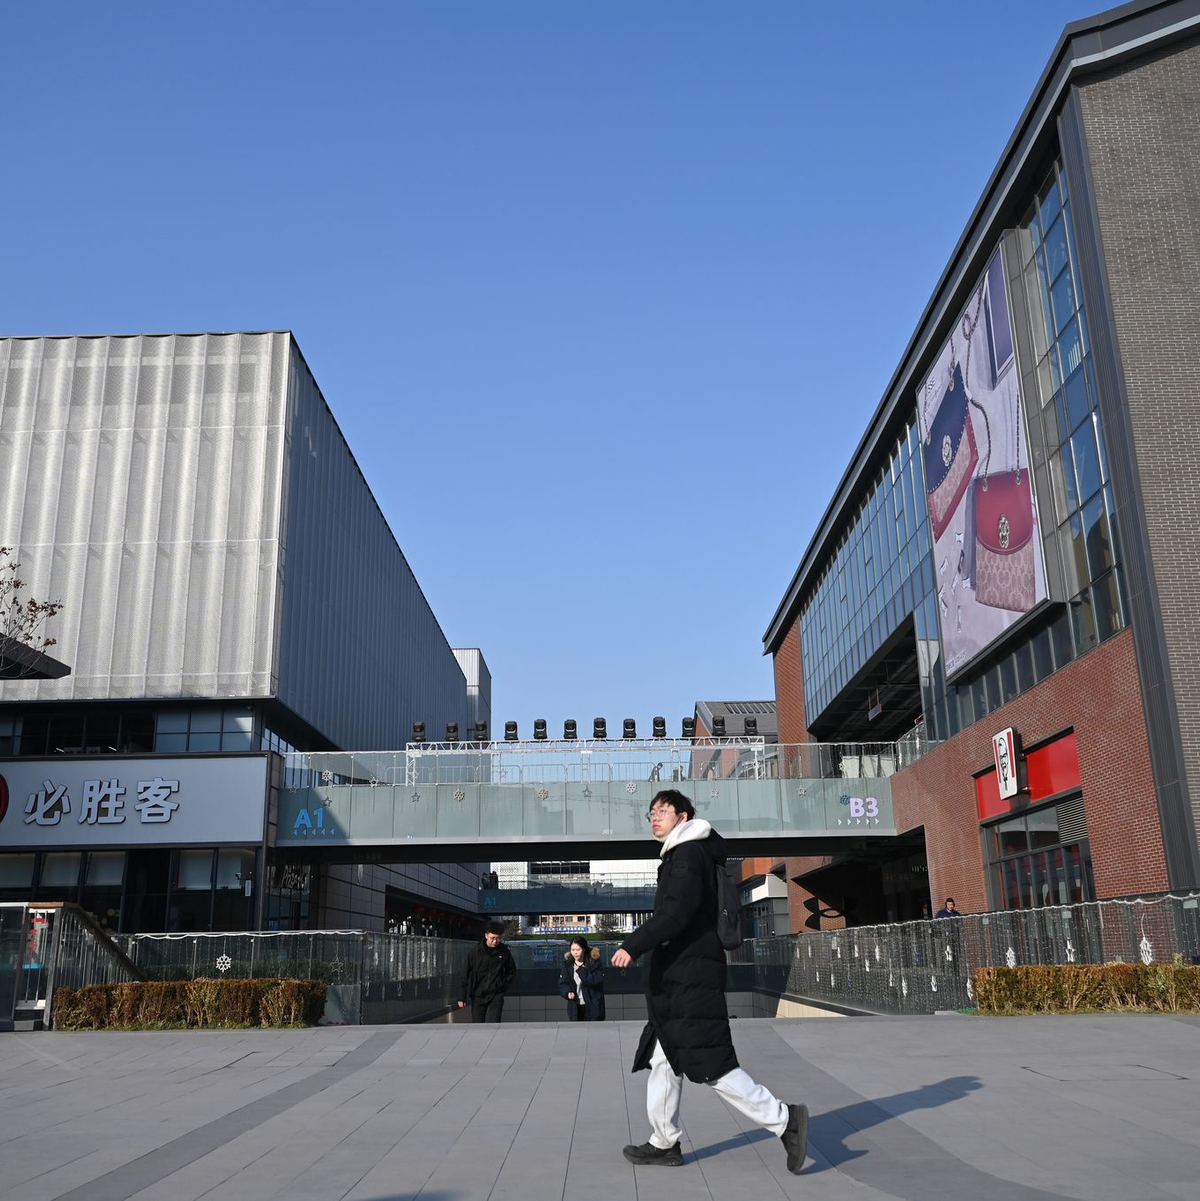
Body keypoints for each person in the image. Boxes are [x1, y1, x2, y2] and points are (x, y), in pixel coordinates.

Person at [611, 789, 808, 1172]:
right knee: (663, 1057)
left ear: (682, 817)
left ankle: (785, 1120)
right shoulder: (686, 853)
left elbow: (676, 914)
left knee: (713, 1066)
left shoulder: (685, 856)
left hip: (690, 977)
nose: (654, 818)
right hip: (684, 976)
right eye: (651, 812)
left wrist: (633, 945)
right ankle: (664, 1141)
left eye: (663, 811)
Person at [457, 920, 516, 1022]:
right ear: (486, 935)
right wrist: (462, 997)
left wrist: (502, 987)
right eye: (492, 938)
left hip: (496, 994)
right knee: (478, 1025)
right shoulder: (475, 952)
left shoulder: (504, 952)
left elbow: (511, 971)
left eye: (498, 938)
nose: (495, 941)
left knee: (495, 1024)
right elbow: (464, 974)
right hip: (478, 994)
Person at [559, 936, 605, 1021]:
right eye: (572, 950)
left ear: (584, 949)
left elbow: (595, 980)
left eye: (578, 950)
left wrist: (581, 970)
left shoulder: (593, 962)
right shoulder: (568, 965)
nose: (575, 953)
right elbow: (563, 983)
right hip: (575, 1006)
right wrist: (568, 992)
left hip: (592, 1006)